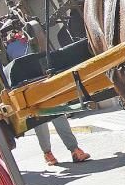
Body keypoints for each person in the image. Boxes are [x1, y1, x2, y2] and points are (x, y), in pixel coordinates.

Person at [19, 15, 91, 165]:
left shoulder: (35, 46)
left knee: (59, 117)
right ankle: (48, 153)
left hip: (46, 86)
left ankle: (74, 150)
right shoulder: (16, 47)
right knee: (40, 124)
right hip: (29, 91)